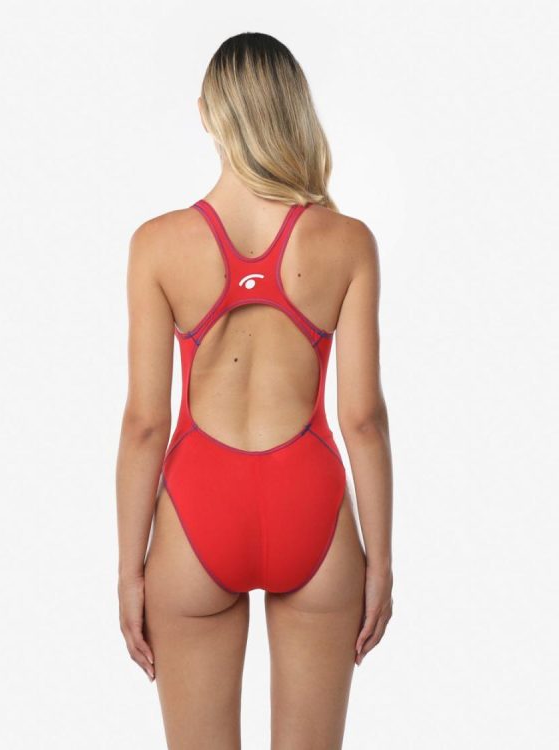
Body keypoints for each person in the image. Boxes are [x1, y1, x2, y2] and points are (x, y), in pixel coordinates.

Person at [116, 31, 393, 749]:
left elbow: (144, 424)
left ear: (208, 114)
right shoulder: (348, 242)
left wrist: (129, 571)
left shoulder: (157, 244)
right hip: (314, 512)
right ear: (292, 110)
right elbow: (363, 419)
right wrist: (381, 562)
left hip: (197, 515)